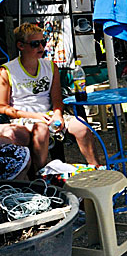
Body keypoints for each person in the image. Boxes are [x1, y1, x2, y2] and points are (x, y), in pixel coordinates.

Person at [0, 23, 100, 172]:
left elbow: (56, 98)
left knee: (82, 126)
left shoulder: (50, 67)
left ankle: (98, 169)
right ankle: (42, 175)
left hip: (49, 114)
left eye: (43, 42)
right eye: (35, 44)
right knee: (41, 130)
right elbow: (3, 107)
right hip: (24, 117)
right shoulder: (7, 71)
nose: (41, 47)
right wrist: (34, 116)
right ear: (21, 46)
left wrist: (58, 114)